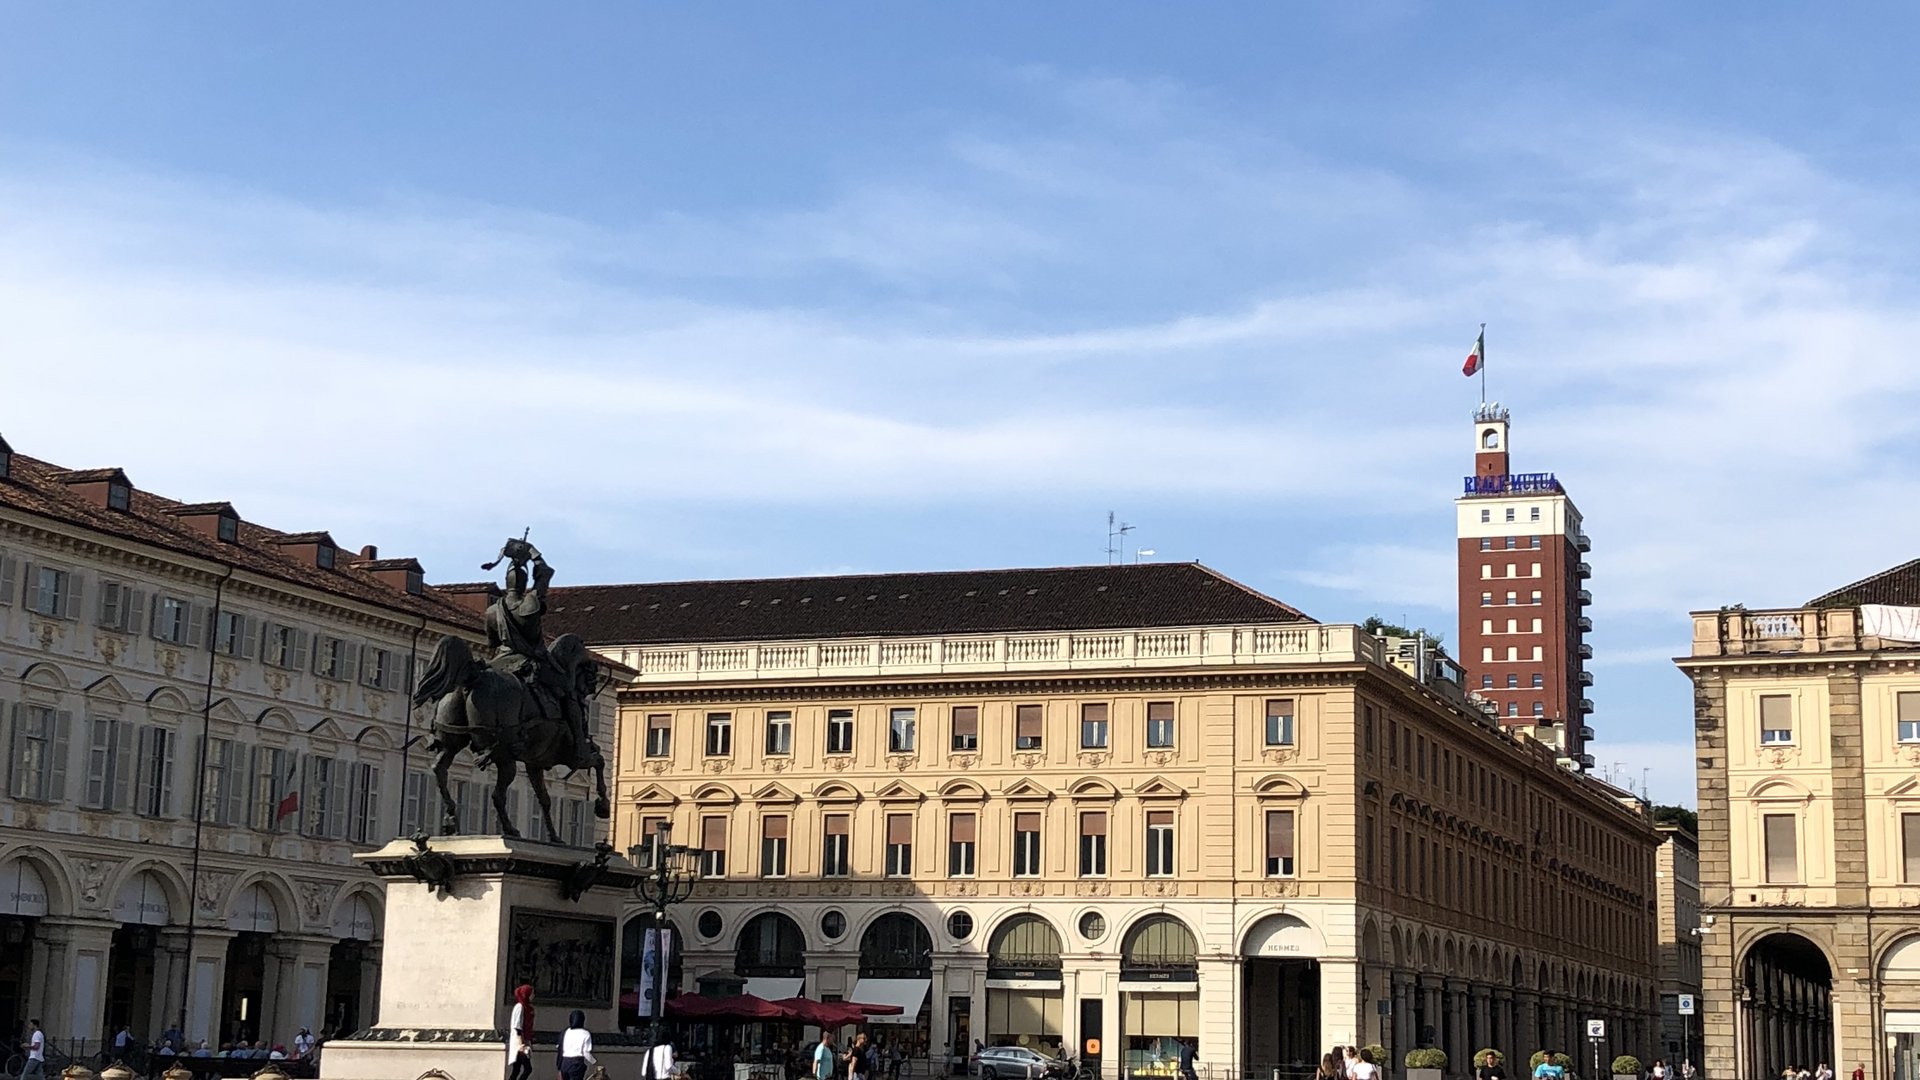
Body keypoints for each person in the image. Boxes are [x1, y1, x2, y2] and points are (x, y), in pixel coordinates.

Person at [507, 983, 535, 1080]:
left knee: (517, 1069)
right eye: (531, 994)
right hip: (519, 1042)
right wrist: (521, 1043)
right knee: (527, 1068)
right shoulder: (520, 1007)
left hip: (524, 1040)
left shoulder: (527, 1007)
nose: (533, 996)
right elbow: (517, 1026)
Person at [556, 1010, 594, 1080]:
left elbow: (560, 1049)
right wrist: (594, 1062)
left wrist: (559, 1067)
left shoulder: (565, 1032)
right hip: (577, 1063)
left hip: (565, 1062)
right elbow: (586, 1053)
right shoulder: (586, 1033)